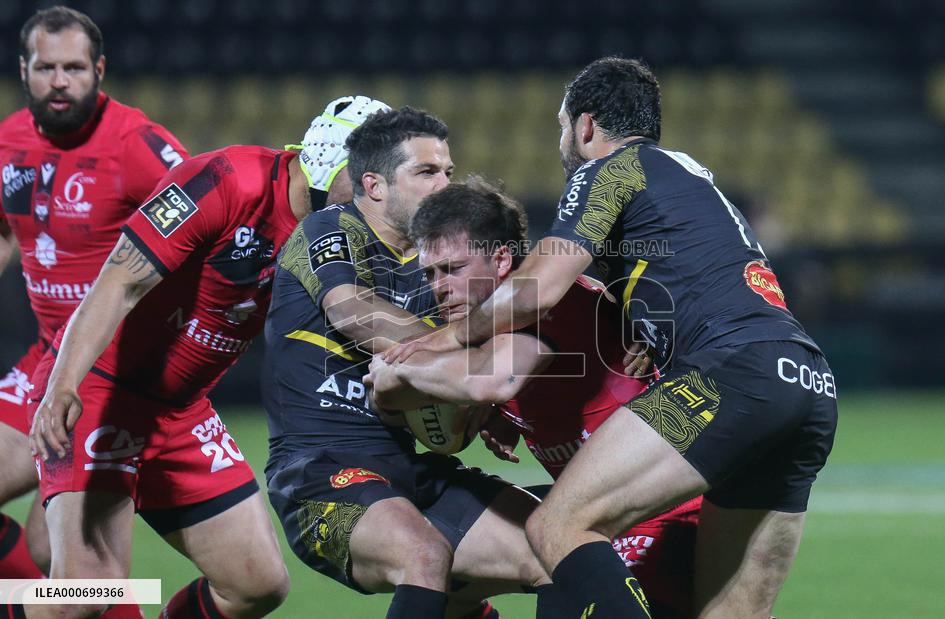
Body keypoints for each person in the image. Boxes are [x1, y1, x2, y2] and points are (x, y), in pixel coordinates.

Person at [386, 57, 838, 618]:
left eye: (562, 128)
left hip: (732, 371)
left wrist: (445, 341)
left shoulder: (612, 169)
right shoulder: (690, 177)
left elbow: (536, 289)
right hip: (807, 380)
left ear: (586, 127)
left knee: (558, 523)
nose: (563, 143)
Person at [25, 94, 388, 619]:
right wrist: (63, 383)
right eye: (369, 180)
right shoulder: (227, 180)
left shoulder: (345, 236)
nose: (377, 198)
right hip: (101, 386)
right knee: (87, 591)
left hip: (181, 412)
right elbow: (120, 281)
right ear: (328, 163)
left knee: (257, 584)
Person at [366, 179, 702, 619]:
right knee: (446, 577)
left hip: (664, 517)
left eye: (453, 269)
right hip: (596, 518)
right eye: (430, 274)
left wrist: (396, 370)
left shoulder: (543, 301)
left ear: (503, 259)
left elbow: (491, 382)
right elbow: (456, 424)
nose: (439, 287)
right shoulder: (485, 328)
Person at [262, 110, 550, 619]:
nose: (445, 184)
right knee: (424, 555)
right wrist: (466, 363)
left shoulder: (432, 264)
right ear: (372, 185)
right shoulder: (328, 228)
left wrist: (490, 396)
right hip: (318, 473)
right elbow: (350, 310)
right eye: (427, 172)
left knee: (548, 549)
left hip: (407, 471)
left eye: (447, 170)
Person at [0, 5, 187, 582]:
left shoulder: (141, 147)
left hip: (114, 375)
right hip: (45, 358)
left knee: (72, 566)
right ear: (24, 68)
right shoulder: (6, 142)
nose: (61, 81)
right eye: (47, 67)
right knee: (49, 563)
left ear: (99, 69)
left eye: (75, 68)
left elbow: (206, 233)